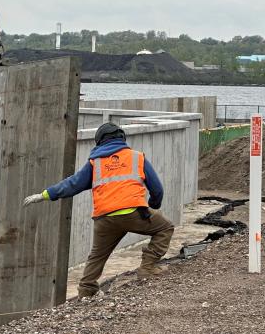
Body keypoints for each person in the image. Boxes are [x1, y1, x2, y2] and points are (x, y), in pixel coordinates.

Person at [23, 122, 174, 298]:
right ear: (122, 138)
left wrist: (45, 194)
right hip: (134, 213)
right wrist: (153, 206)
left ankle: (87, 291)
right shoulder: (137, 157)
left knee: (97, 255)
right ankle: (148, 267)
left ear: (99, 142)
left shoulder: (95, 163)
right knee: (165, 227)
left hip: (105, 219)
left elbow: (73, 184)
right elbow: (157, 189)